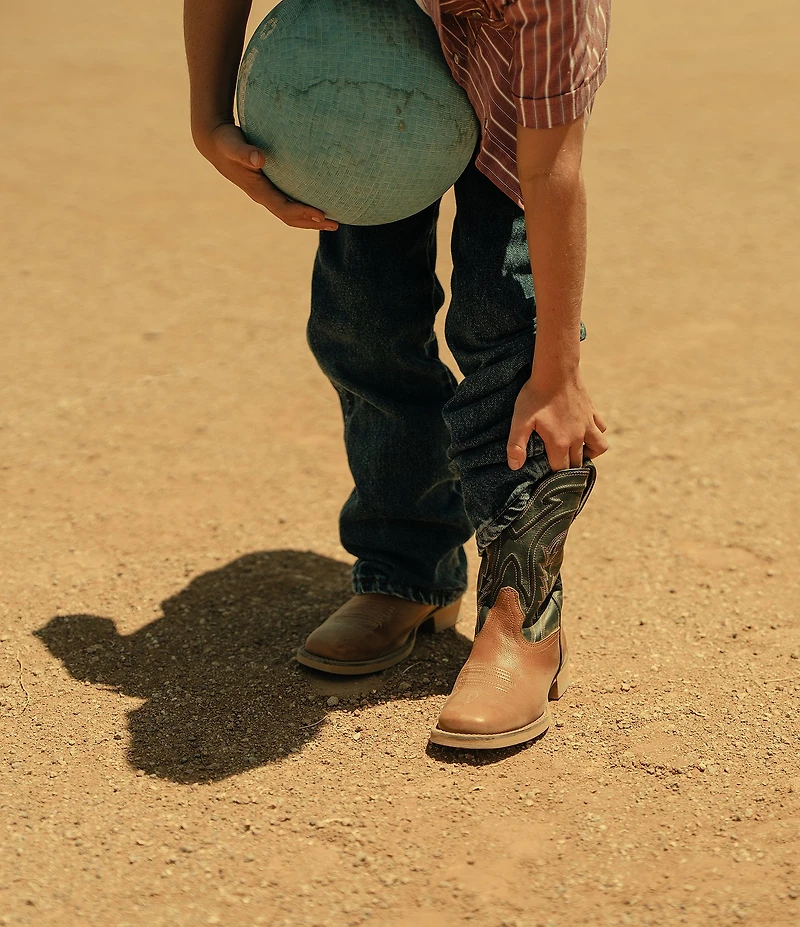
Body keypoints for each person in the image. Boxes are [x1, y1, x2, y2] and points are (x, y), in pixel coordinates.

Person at [183, 0, 610, 750]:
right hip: (373, 62)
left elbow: (552, 172)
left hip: (511, 86)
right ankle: (408, 569)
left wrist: (559, 372)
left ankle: (525, 611)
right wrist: (206, 113)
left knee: (504, 315)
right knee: (362, 318)